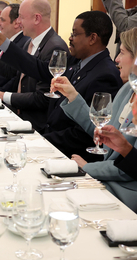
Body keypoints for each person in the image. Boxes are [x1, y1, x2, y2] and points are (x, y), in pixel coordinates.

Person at [0, 9, 122, 156]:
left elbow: (85, 131)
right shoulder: (77, 60)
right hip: (49, 136)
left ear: (92, 38)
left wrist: (39, 141)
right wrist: (1, 41)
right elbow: (36, 67)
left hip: (68, 153)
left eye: (75, 33)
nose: (70, 38)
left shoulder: (106, 75)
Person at [51, 28, 137, 211]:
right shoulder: (127, 90)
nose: (117, 60)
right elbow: (102, 132)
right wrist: (73, 96)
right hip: (105, 180)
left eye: (122, 53)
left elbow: (129, 165)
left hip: (125, 191)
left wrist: (88, 168)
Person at [0, 0, 68, 133]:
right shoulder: (29, 42)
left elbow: (42, 98)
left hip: (36, 124)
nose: (18, 22)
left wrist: (2, 96)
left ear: (36, 18)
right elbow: (9, 71)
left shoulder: (55, 47)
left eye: (21, 17)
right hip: (19, 115)